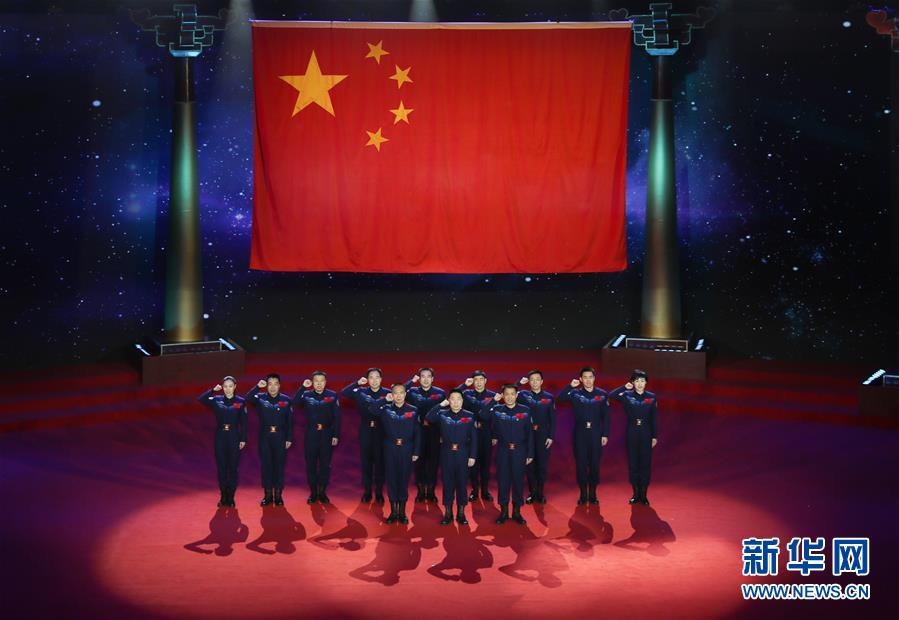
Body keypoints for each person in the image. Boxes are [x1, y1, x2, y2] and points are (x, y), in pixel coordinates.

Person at [556, 367, 609, 506]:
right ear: (580, 379)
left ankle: (593, 493)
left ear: (594, 378)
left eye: (590, 377)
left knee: (594, 465)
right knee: (581, 465)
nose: (588, 380)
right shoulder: (575, 393)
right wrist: (570, 386)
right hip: (580, 433)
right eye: (585, 377)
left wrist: (605, 434)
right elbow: (560, 398)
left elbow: (606, 417)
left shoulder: (602, 394)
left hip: (596, 433)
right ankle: (583, 494)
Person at [481, 385, 534, 525]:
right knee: (503, 481)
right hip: (503, 450)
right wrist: (494, 400)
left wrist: (530, 453)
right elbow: (483, 414)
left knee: (518, 481)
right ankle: (503, 512)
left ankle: (517, 512)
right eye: (506, 394)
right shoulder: (497, 410)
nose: (509, 397)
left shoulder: (525, 410)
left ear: (516, 395)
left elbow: (529, 433)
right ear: (503, 396)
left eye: (512, 394)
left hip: (520, 450)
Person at [370, 384, 421, 524]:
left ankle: (402, 513)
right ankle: (393, 512)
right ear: (392, 395)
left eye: (401, 393)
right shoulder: (386, 409)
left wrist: (416, 451)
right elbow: (372, 409)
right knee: (391, 479)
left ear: (405, 394)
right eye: (395, 393)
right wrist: (384, 400)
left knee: (403, 479)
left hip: (407, 448)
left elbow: (418, 432)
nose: (398, 396)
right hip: (390, 448)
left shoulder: (413, 410)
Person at [425, 390, 478, 525]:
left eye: (458, 399)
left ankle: (461, 514)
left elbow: (474, 438)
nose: (455, 402)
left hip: (463, 453)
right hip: (446, 453)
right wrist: (440, 405)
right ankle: (448, 514)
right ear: (448, 401)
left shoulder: (470, 416)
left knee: (462, 484)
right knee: (447, 484)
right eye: (452, 399)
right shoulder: (442, 414)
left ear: (462, 401)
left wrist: (472, 456)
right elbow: (429, 417)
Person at [609, 370, 658, 506]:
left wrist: (654, 436)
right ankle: (636, 494)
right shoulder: (627, 395)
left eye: (642, 381)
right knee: (633, 464)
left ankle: (644, 495)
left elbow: (654, 418)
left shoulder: (652, 397)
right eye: (637, 381)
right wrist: (624, 387)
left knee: (645, 464)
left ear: (646, 383)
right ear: (633, 382)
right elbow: (611, 395)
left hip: (646, 432)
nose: (640, 383)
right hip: (632, 432)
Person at [341, 368, 390, 503]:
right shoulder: (361, 392)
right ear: (367, 379)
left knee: (380, 464)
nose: (374, 380)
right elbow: (344, 392)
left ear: (381, 379)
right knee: (366, 463)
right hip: (365, 430)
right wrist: (357, 383)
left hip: (381, 431)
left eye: (377, 377)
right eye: (371, 377)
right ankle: (367, 492)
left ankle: (379, 492)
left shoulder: (388, 394)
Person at [197, 376, 247, 508]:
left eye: (230, 386)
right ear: (222, 387)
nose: (228, 389)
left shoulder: (240, 401)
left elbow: (244, 423)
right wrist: (213, 390)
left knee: (233, 468)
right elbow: (201, 399)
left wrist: (243, 439)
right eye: (225, 386)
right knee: (221, 468)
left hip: (234, 436)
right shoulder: (217, 400)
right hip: (220, 437)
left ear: (235, 386)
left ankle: (231, 497)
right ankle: (223, 496)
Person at [245, 373, 293, 507]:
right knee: (266, 466)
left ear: (279, 385)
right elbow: (247, 398)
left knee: (279, 466)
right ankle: (267, 495)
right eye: (269, 384)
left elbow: (290, 421)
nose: (272, 387)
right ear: (266, 386)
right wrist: (257, 387)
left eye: (275, 384)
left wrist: (289, 438)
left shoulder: (286, 400)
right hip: (265, 438)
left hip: (280, 437)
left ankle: (278, 495)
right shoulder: (260, 398)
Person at [293, 371, 340, 505]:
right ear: (312, 382)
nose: (319, 384)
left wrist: (335, 435)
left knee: (325, 465)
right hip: (311, 434)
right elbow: (294, 402)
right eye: (316, 381)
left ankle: (322, 492)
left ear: (325, 382)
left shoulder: (332, 395)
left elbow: (337, 417)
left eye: (321, 381)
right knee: (311, 465)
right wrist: (303, 387)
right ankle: (313, 492)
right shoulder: (307, 395)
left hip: (327, 434)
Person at [404, 367, 446, 503]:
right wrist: (411, 381)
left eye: (429, 376)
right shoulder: (413, 392)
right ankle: (421, 491)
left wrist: (444, 434)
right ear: (419, 378)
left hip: (434, 432)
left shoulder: (440, 393)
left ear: (433, 379)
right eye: (423, 376)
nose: (426, 379)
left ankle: (431, 492)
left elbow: (445, 414)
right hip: (418, 431)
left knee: (433, 463)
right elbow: (398, 391)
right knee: (419, 463)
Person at [455, 370, 497, 502]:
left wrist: (495, 435)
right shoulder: (467, 394)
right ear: (472, 381)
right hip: (470, 433)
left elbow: (496, 418)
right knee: (472, 464)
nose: (478, 382)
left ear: (485, 381)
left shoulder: (492, 396)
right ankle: (474, 490)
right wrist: (464, 385)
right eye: (476, 380)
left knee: (485, 464)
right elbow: (453, 395)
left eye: (481, 379)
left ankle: (485, 491)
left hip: (486, 433)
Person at [516, 370, 556, 504]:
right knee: (529, 464)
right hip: (527, 434)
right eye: (531, 379)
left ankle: (540, 492)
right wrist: (518, 383)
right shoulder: (523, 395)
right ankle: (532, 493)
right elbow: (508, 394)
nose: (534, 382)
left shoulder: (549, 397)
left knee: (542, 465)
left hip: (543, 435)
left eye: (537, 379)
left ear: (542, 381)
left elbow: (552, 419)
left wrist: (550, 436)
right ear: (529, 382)